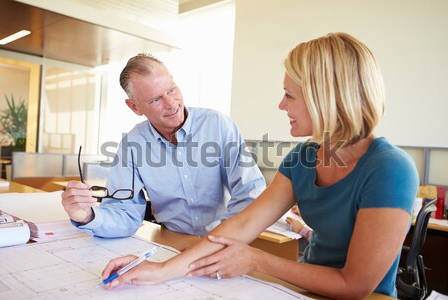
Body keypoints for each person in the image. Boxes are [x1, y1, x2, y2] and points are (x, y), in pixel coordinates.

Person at [99, 33, 419, 298]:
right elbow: (242, 224)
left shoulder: (390, 168)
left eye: (289, 95)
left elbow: (357, 286)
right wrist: (161, 270)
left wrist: (255, 259)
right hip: (302, 287)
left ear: (325, 97)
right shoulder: (302, 158)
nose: (281, 105)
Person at [61, 54, 266, 237]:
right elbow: (124, 213)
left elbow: (250, 191)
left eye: (171, 89)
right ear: (135, 107)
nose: (171, 103)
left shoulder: (218, 125)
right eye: (156, 99)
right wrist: (87, 216)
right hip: (172, 242)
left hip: (226, 239)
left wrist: (221, 239)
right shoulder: (132, 144)